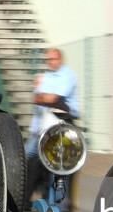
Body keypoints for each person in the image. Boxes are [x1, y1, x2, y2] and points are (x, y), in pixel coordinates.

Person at [25, 47, 80, 196]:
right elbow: (37, 98)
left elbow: (54, 99)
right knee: (29, 159)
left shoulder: (67, 76)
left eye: (52, 59)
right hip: (41, 126)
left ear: (60, 59)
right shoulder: (47, 76)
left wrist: (44, 96)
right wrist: (44, 97)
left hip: (61, 124)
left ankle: (57, 198)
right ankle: (30, 197)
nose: (49, 62)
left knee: (57, 164)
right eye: (47, 60)